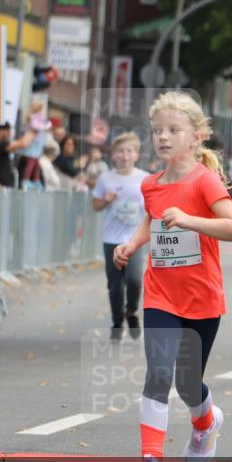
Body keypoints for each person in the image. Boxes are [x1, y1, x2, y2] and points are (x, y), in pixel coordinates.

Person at [112, 91, 232, 462]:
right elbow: (152, 220)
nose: (164, 137)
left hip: (202, 299)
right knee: (158, 373)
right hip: (161, 295)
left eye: (173, 130)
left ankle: (206, 422)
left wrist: (189, 220)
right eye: (157, 131)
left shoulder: (204, 181)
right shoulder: (151, 185)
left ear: (197, 136)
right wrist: (132, 244)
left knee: (188, 385)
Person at [92, 132, 150, 341]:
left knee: (134, 280)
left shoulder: (145, 178)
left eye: (129, 151)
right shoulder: (105, 178)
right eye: (120, 151)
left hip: (134, 239)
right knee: (115, 285)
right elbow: (95, 205)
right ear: (113, 155)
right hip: (111, 239)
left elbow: (153, 205)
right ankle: (117, 322)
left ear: (136, 155)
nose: (125, 155)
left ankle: (131, 312)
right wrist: (106, 200)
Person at [0, 121, 34, 189]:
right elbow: (23, 144)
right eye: (8, 131)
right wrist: (33, 130)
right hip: (1, 187)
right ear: (1, 130)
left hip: (5, 186)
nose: (9, 134)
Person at [18, 101, 51, 189]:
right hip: (33, 144)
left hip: (37, 145)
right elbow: (37, 126)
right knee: (31, 163)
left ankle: (36, 180)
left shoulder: (39, 118)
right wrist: (45, 126)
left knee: (36, 164)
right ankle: (25, 180)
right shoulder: (33, 118)